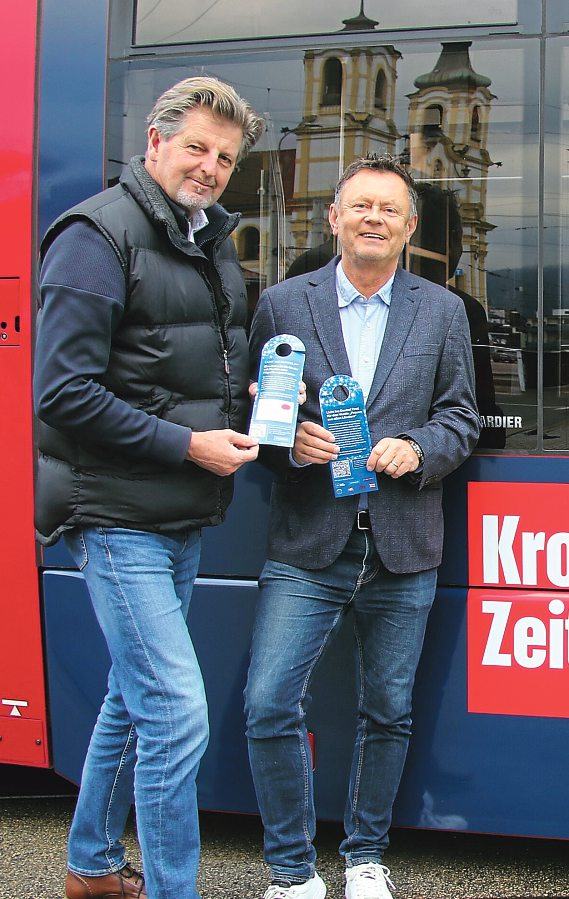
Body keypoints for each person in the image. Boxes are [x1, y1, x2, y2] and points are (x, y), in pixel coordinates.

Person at [33, 77, 264, 899]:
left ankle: (92, 866)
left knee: (132, 700)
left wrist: (249, 403)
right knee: (174, 710)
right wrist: (187, 441)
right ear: (155, 143)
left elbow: (190, 359)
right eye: (196, 147)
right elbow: (60, 392)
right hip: (115, 507)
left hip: (177, 510)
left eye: (225, 157)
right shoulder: (98, 235)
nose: (209, 166)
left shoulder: (206, 239)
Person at [245, 154, 480, 899]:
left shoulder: (443, 310)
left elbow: (461, 418)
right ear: (333, 218)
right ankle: (290, 871)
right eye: (360, 206)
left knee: (389, 709)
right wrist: (289, 443)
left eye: (389, 209)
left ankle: (366, 855)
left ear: (409, 228)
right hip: (308, 540)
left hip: (403, 543)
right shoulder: (283, 304)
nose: (373, 218)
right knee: (268, 702)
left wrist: (418, 448)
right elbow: (254, 413)